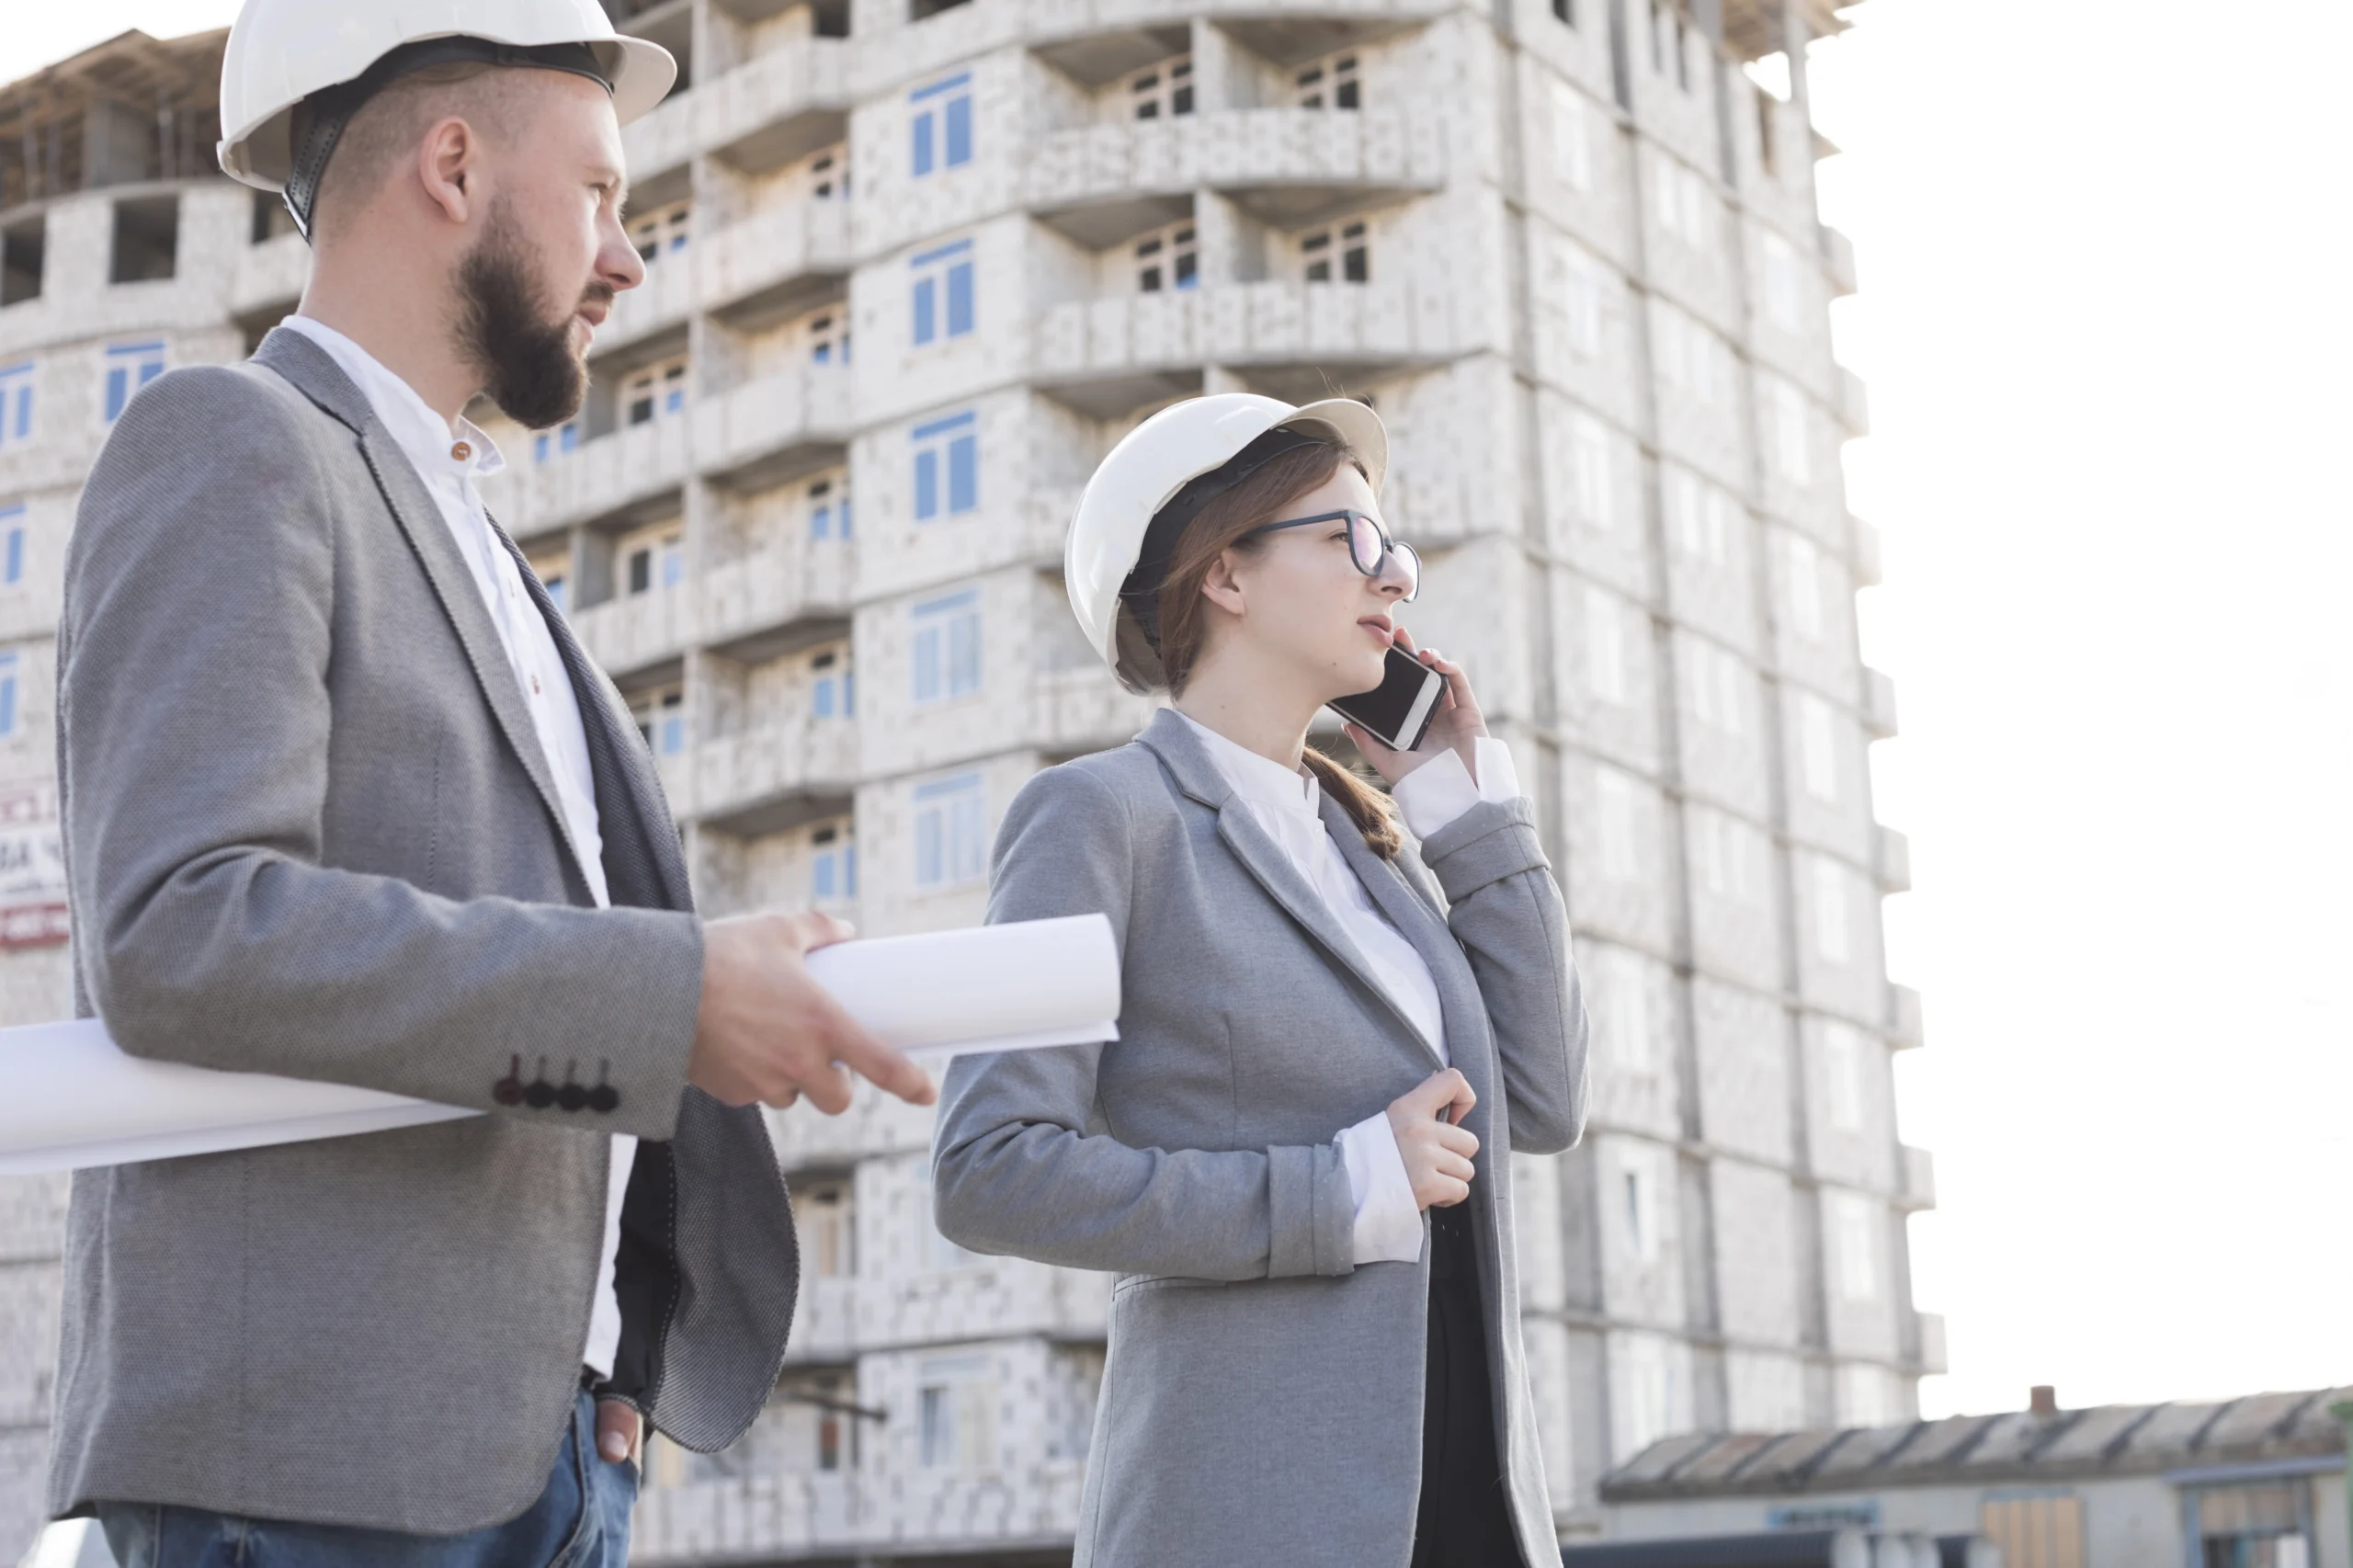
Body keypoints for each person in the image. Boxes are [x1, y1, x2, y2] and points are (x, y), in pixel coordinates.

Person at [46, 1, 935, 1562]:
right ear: (452, 165)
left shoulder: (480, 545)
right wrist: (668, 1001)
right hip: (315, 1474)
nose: (628, 257)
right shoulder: (232, 443)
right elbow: (181, 930)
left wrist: (600, 1356)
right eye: (599, 193)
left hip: (539, 1457)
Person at [931, 393, 1591, 1567]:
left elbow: (1540, 1099)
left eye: (1394, 548)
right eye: (1353, 539)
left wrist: (1461, 804)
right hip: (1247, 1509)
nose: (1397, 579)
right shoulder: (1099, 817)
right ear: (1223, 571)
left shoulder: (1372, 846)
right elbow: (989, 1172)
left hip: (1469, 1504)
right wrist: (1331, 1189)